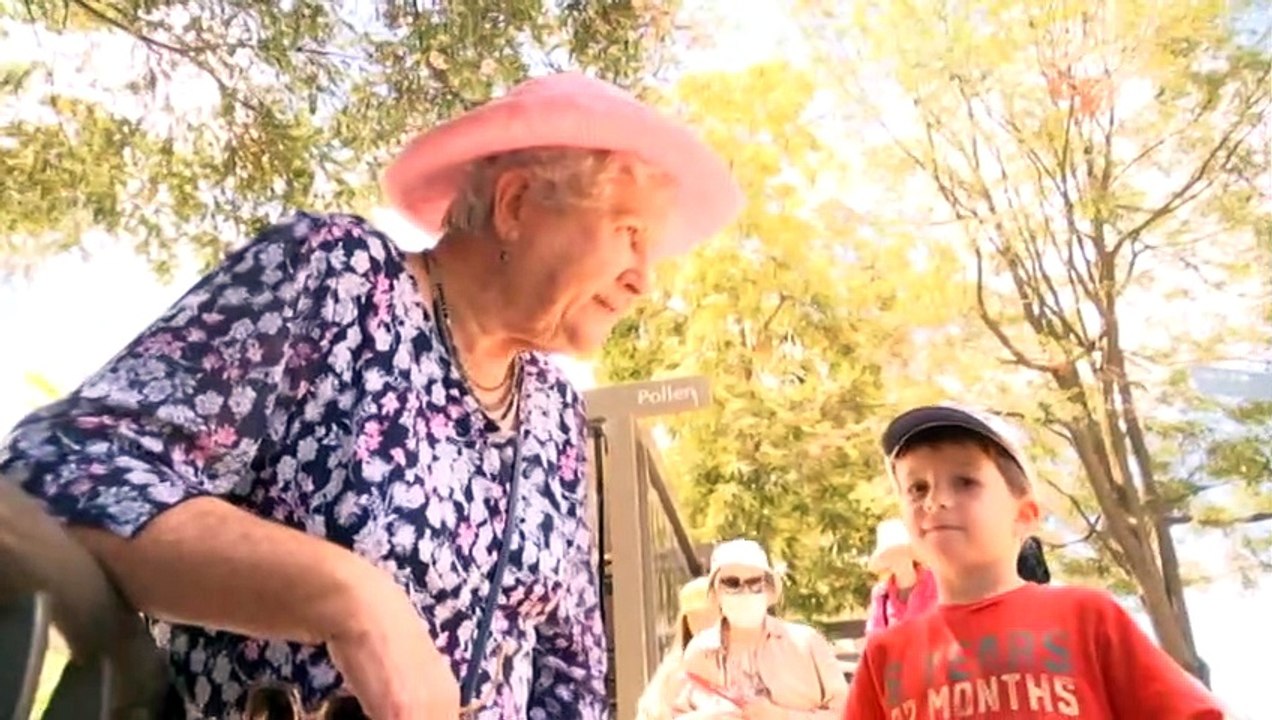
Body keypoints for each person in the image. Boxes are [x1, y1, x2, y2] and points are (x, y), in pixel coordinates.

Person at [0, 72, 744, 720]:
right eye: (628, 233)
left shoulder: (554, 410)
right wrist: (348, 598)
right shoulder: (338, 279)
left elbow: (569, 674)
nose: (645, 281)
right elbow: (62, 467)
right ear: (517, 203)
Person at [844, 404, 1227, 719]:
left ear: (1024, 515)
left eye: (965, 482)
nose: (935, 500)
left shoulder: (1087, 615)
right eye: (917, 487)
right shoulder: (884, 656)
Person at [673, 539, 848, 719]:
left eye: (755, 582)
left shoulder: (806, 644)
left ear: (770, 591)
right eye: (732, 583)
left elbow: (847, 713)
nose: (744, 591)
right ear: (715, 593)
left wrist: (782, 716)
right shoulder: (699, 652)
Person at [636, 576, 720, 720]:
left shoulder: (739, 663)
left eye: (708, 616)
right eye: (694, 617)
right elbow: (650, 711)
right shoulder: (673, 669)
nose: (702, 623)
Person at [862, 518, 937, 637]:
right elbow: (874, 635)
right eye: (888, 554)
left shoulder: (936, 584)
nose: (895, 556)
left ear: (909, 553)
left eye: (899, 550)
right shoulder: (881, 594)